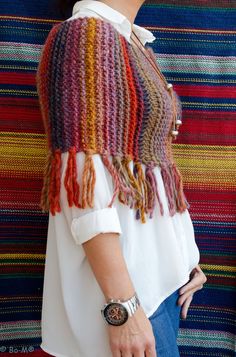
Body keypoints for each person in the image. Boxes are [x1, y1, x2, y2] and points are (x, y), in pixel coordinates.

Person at [36, 1, 207, 356]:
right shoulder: (85, 35)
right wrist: (122, 311)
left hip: (165, 288)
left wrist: (185, 255)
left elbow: (152, 171)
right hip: (129, 299)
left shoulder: (130, 42)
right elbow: (83, 185)